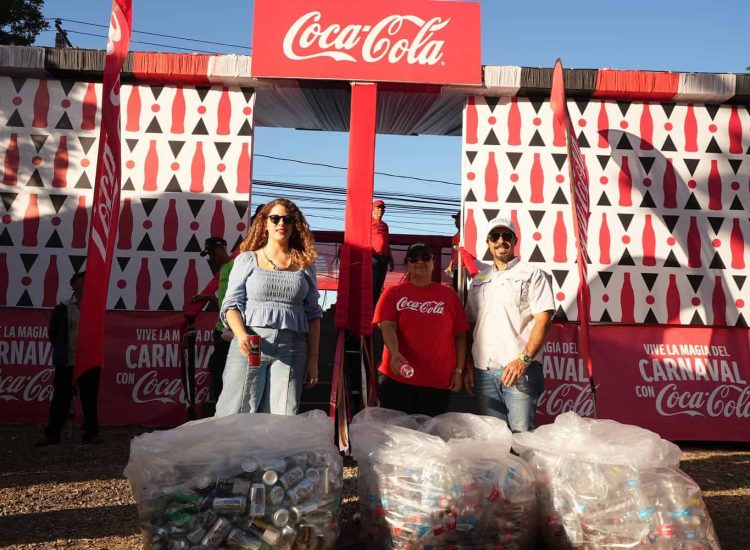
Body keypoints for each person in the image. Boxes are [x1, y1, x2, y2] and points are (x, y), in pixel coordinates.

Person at [215, 199, 322, 416]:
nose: (281, 223)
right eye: (275, 218)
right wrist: (242, 335)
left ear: (295, 225)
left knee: (283, 415)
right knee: (238, 410)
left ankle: (274, 452)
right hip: (252, 342)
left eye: (287, 219)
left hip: (292, 346)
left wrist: (313, 359)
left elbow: (313, 314)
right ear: (265, 223)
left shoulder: (305, 265)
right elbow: (231, 305)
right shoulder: (247, 259)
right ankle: (235, 452)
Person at [464, 215, 555, 432]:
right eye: (495, 236)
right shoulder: (478, 280)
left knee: (521, 438)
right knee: (493, 439)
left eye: (507, 235)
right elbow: (470, 324)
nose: (501, 240)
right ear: (488, 242)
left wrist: (523, 360)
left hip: (520, 370)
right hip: (483, 370)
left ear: (515, 241)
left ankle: (523, 468)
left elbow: (544, 319)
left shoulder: (533, 274)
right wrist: (468, 365)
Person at [373, 242, 468, 416]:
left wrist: (459, 371)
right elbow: (386, 325)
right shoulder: (392, 293)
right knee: (397, 436)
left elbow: (461, 335)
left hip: (438, 380)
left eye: (425, 257)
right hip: (398, 376)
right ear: (408, 263)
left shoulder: (449, 296)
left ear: (433, 261)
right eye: (414, 258)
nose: (420, 262)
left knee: (430, 438)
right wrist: (394, 353)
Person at [36, 272, 100, 445]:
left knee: (89, 398)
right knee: (61, 397)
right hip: (66, 360)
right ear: (74, 284)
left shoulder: (95, 307)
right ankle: (53, 433)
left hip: (88, 360)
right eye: (82, 281)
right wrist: (61, 351)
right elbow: (54, 333)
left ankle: (91, 432)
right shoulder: (63, 307)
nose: (86, 284)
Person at [371, 199, 394, 305]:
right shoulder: (368, 222)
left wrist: (391, 259)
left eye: (382, 208)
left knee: (379, 286)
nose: (381, 210)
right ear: (373, 208)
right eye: (378, 207)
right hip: (373, 257)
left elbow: (386, 242)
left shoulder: (385, 226)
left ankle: (374, 309)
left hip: (384, 258)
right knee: (372, 285)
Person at [444, 211, 462, 291]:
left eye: (457, 219)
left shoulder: (465, 234)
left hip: (461, 267)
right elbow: (455, 251)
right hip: (456, 267)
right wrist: (450, 265)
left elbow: (458, 251)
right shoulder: (458, 234)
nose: (455, 222)